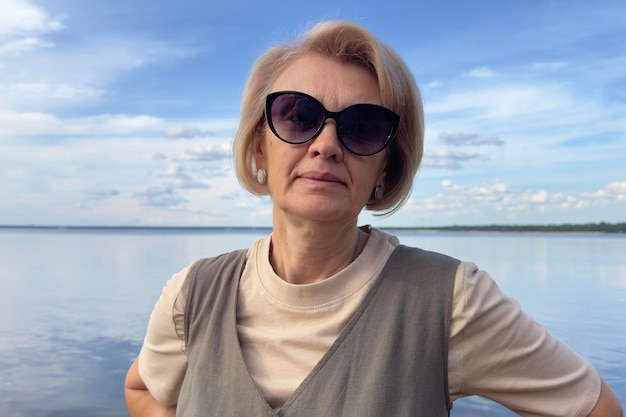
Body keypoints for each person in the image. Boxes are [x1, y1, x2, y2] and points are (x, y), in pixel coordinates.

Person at [124, 20, 623, 417]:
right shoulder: (193, 293)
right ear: (259, 144)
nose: (326, 144)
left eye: (362, 127)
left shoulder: (450, 300)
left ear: (386, 165)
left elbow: (594, 408)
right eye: (297, 115)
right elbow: (143, 389)